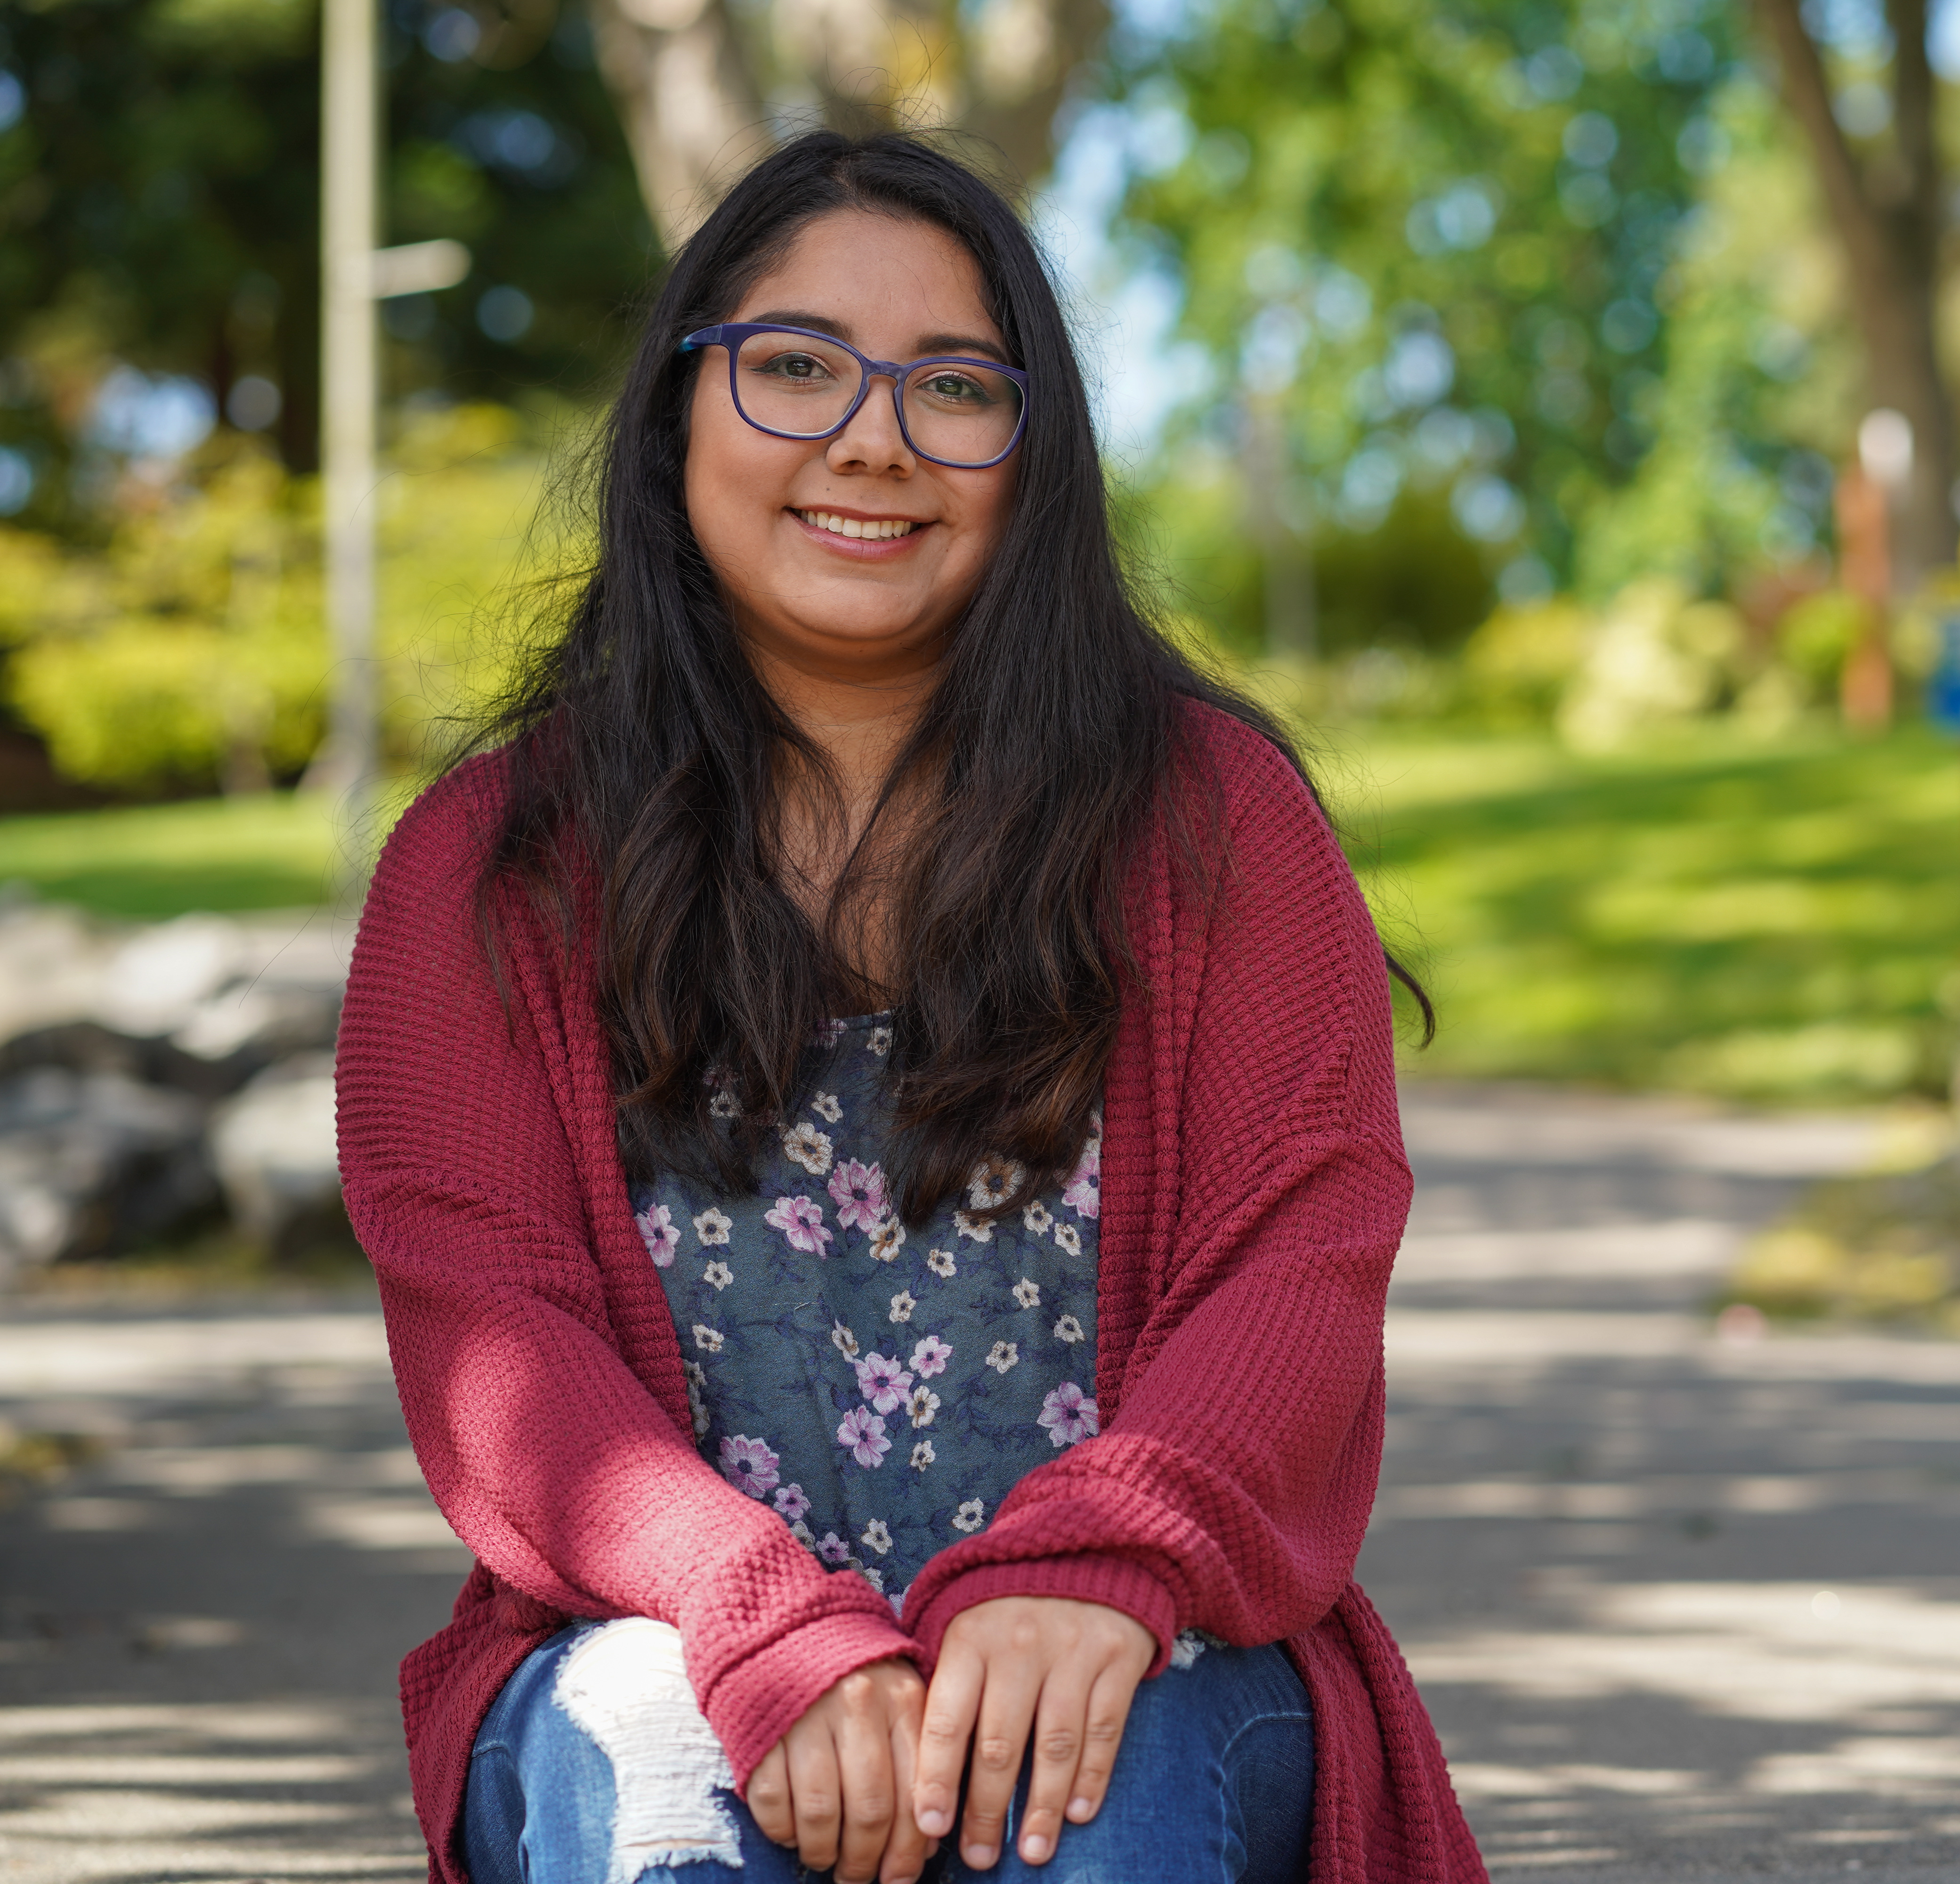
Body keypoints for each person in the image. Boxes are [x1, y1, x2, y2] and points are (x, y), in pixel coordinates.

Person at [335, 131, 1485, 1884]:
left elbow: (1301, 1264)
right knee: (653, 1777)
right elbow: (504, 1350)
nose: (871, 437)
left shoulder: (1213, 826)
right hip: (670, 1641)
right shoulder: (488, 872)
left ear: (1037, 458)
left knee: (1088, 1803)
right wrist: (754, 1622)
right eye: (795, 366)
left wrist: (1103, 1564)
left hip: (1133, 1647)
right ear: (677, 412)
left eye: (954, 387)